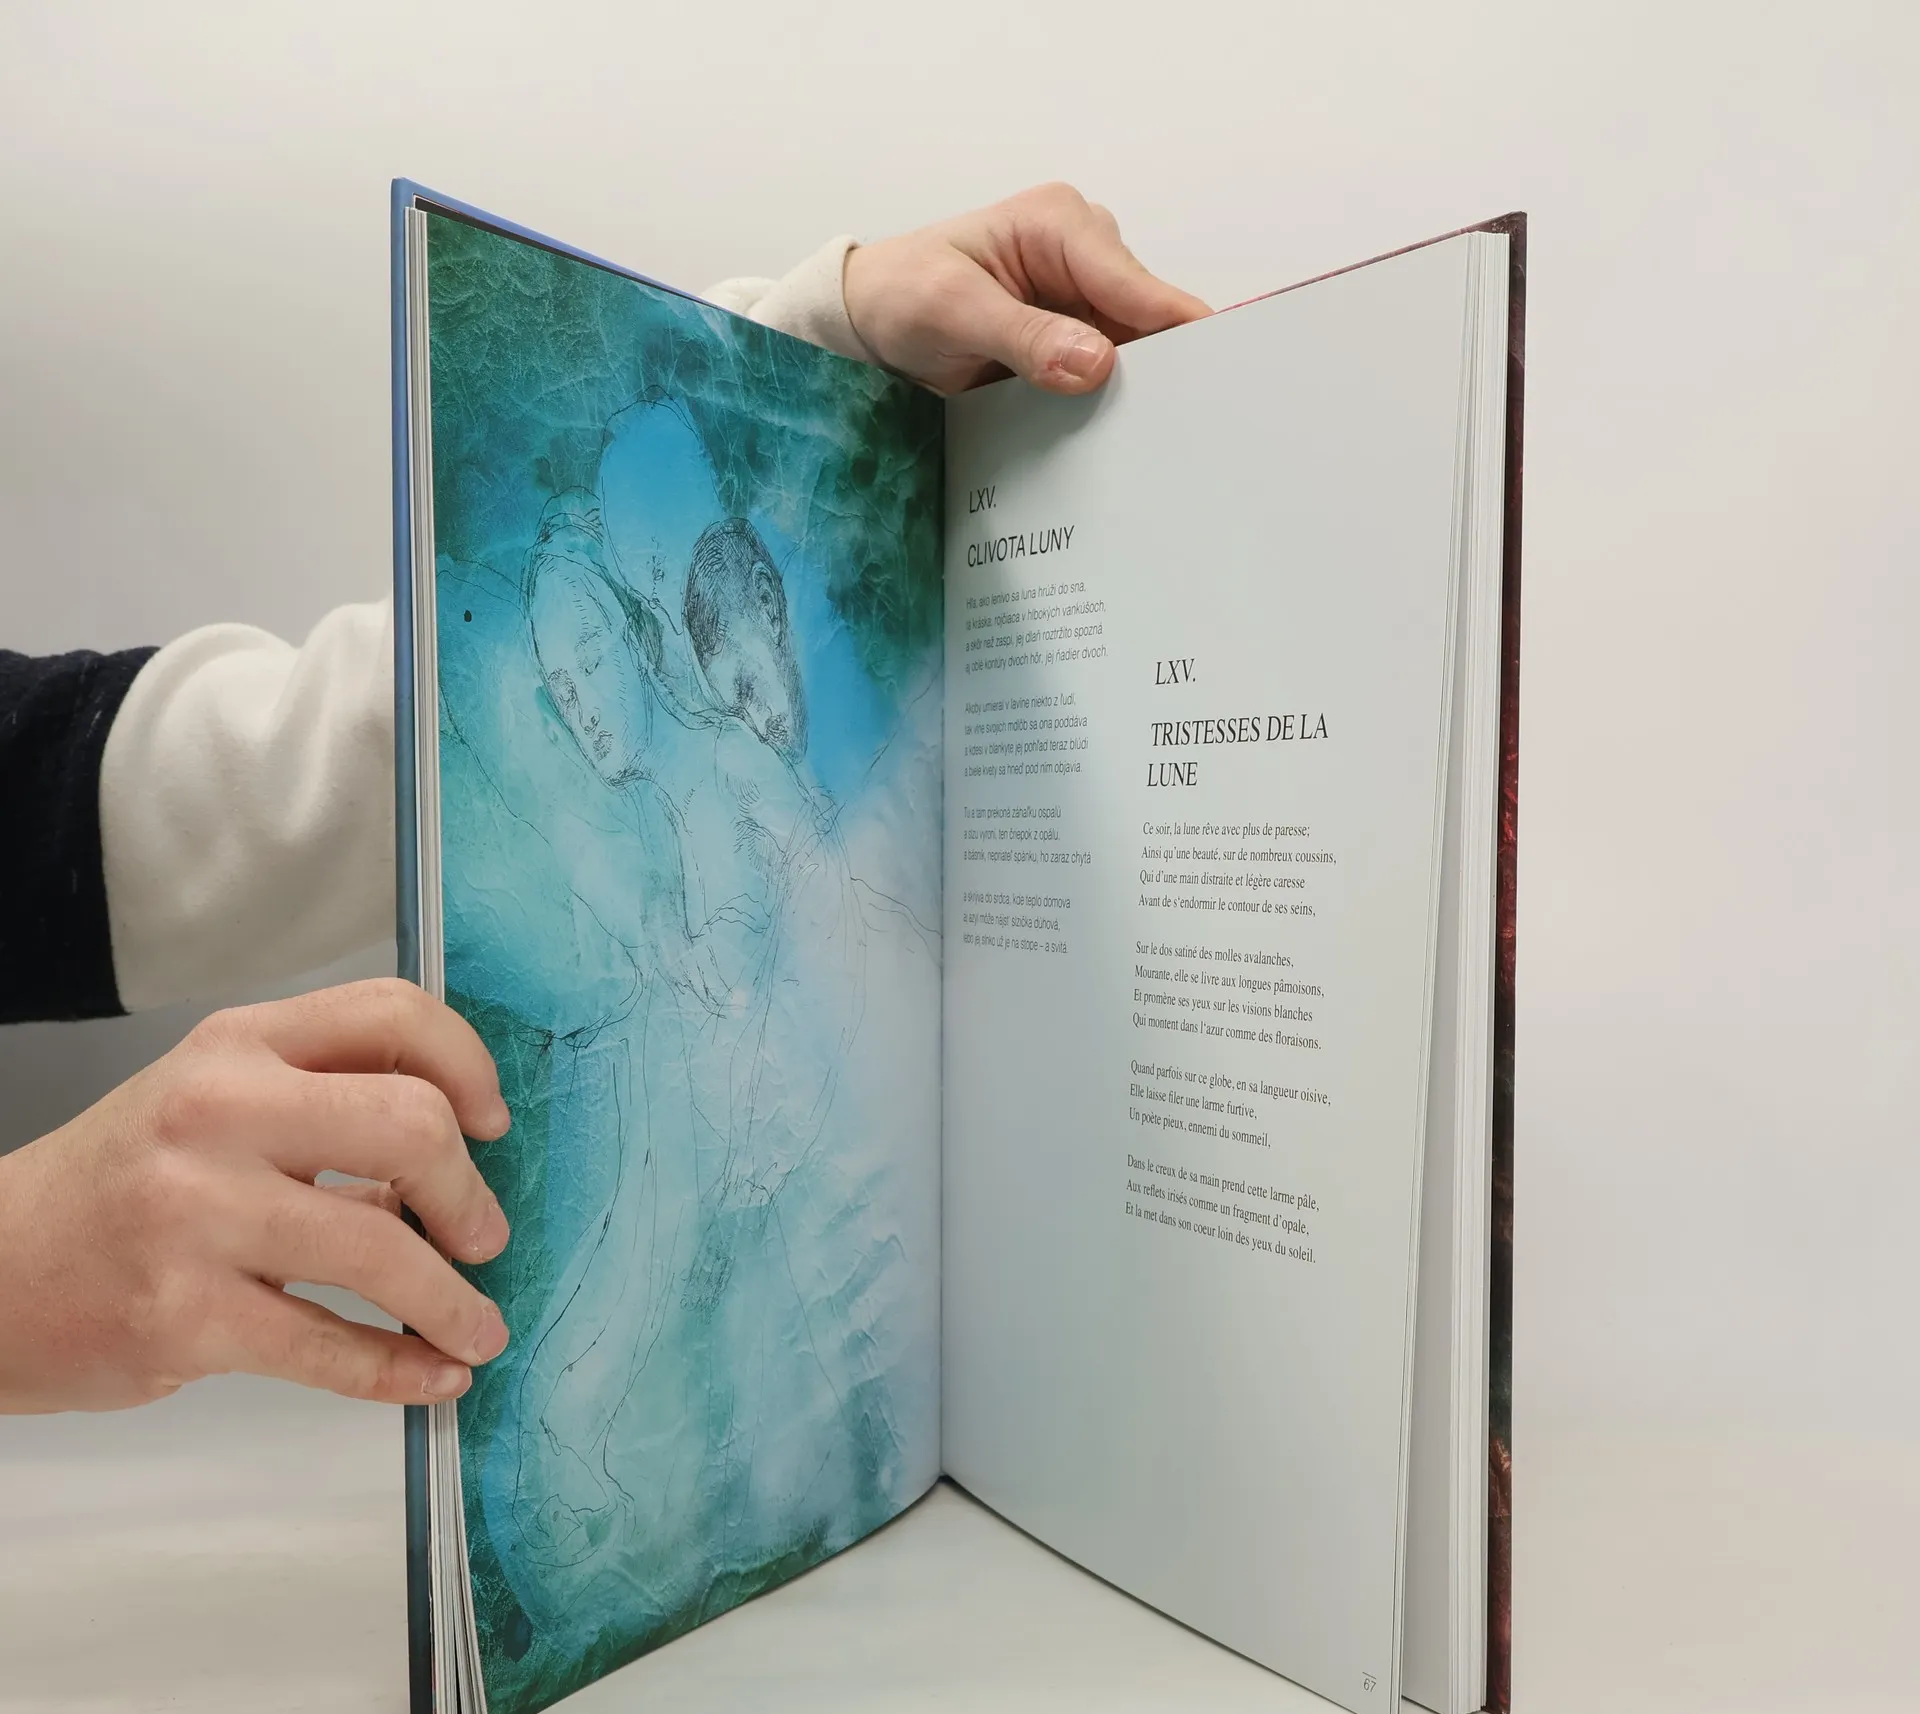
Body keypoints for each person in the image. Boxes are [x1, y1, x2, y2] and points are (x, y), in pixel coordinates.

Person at [0, 183, 1209, 1418]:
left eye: (598, 668)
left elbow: (125, 795)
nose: (590, 706)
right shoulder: (656, 810)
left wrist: (807, 367)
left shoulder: (722, 752)